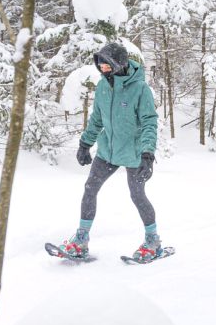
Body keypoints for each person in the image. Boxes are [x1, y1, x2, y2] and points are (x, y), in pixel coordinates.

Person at [58, 40, 163, 262]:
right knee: (90, 189)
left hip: (134, 153)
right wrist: (85, 143)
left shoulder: (140, 89)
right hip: (107, 151)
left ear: (119, 63)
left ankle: (153, 241)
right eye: (100, 65)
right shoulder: (103, 86)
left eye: (107, 65)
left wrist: (147, 154)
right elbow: (97, 117)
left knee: (137, 195)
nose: (103, 69)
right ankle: (81, 239)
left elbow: (149, 122)